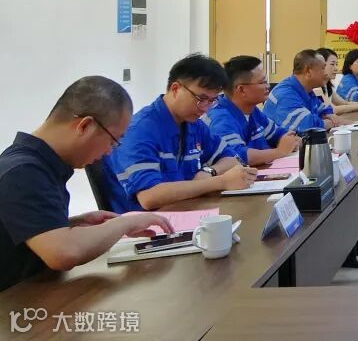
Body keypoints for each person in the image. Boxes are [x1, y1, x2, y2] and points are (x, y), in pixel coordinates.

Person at [1, 77, 175, 291]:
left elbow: (22, 233)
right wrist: (125, 223)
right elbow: (63, 253)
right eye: (113, 141)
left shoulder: (37, 164)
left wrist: (74, 223)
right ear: (85, 125)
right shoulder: (24, 171)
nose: (109, 152)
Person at [102, 55, 256, 212]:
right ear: (175, 89)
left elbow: (232, 159)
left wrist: (209, 171)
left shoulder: (193, 124)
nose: (205, 108)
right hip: (146, 221)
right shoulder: (140, 130)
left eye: (212, 101)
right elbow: (149, 197)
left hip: (185, 210)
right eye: (201, 99)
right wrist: (220, 182)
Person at [205, 56, 301, 166]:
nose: (268, 86)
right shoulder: (220, 118)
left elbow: (279, 134)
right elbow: (236, 156)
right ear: (242, 89)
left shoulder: (252, 110)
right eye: (262, 82)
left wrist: (290, 141)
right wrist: (279, 152)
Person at [264, 50, 343, 132]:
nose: (326, 73)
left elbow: (324, 111)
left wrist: (327, 115)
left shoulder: (307, 90)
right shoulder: (285, 95)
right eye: (323, 68)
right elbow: (308, 127)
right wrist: (330, 123)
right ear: (308, 71)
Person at [313, 48, 358, 115]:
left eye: (336, 64)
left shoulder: (327, 86)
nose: (336, 68)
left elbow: (344, 103)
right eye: (332, 64)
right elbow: (332, 109)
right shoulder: (315, 87)